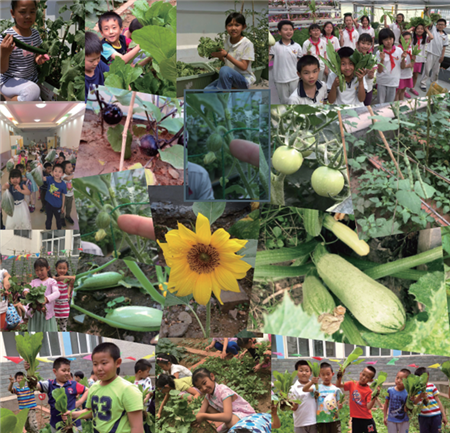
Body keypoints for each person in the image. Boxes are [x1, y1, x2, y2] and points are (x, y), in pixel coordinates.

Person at [69, 342, 144, 433]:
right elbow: (92, 412)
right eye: (95, 364)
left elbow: (137, 428)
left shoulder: (128, 389)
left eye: (104, 363)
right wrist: (73, 415)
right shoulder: (93, 387)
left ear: (118, 363)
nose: (99, 368)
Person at [0, 0, 50, 101]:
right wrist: (4, 53)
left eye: (32, 12)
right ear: (13, 13)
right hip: (9, 81)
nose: (28, 16)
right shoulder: (7, 36)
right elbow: (2, 69)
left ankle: (16, 101)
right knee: (33, 91)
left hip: (29, 81)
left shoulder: (35, 34)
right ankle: (8, 102)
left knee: (36, 101)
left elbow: (36, 54)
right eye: (23, 12)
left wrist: (38, 58)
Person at [24, 357, 88, 433]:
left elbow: (87, 390)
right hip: (56, 424)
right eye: (64, 370)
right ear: (55, 371)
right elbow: (34, 386)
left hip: (74, 425)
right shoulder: (49, 384)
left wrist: (79, 402)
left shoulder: (74, 384)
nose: (67, 373)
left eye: (68, 370)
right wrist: (29, 372)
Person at [206, 12, 256, 90]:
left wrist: (226, 55)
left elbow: (244, 67)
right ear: (226, 27)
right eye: (230, 25)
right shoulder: (226, 41)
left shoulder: (247, 44)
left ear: (243, 27)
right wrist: (220, 56)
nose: (233, 28)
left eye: (237, 25)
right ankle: (232, 90)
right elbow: (228, 62)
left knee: (224, 70)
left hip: (243, 79)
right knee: (207, 91)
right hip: (229, 77)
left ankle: (226, 97)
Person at [336, 366, 380, 433]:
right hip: (355, 419)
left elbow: (368, 407)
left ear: (371, 380)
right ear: (360, 373)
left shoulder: (369, 391)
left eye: (367, 377)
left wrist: (374, 396)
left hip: (367, 419)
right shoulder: (352, 383)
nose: (363, 378)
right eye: (363, 374)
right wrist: (340, 375)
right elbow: (338, 384)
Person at [22, 258, 60, 332]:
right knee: (35, 332)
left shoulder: (51, 281)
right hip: (35, 312)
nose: (39, 272)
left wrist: (46, 299)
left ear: (48, 268)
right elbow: (26, 289)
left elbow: (57, 293)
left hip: (46, 313)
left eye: (41, 270)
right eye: (37, 270)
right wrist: (26, 293)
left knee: (47, 332)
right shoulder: (34, 282)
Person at [270, 20, 302, 104]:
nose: (289, 32)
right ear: (279, 32)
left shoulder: (297, 46)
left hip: (294, 78)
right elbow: (268, 59)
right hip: (280, 79)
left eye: (291, 29)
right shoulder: (275, 46)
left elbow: (300, 62)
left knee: (295, 100)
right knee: (284, 101)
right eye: (285, 29)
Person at [303, 362, 342, 432]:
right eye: (323, 374)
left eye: (328, 374)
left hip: (334, 419)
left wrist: (340, 405)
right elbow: (304, 389)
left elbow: (339, 402)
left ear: (332, 374)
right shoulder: (317, 388)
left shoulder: (336, 389)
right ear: (319, 376)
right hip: (321, 420)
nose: (326, 377)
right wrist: (312, 382)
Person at [413, 367, 448, 433]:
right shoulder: (416, 389)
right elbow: (415, 402)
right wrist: (420, 396)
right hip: (423, 417)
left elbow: (438, 401)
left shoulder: (432, 386)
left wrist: (444, 415)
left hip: (436, 416)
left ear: (428, 377)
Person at [420, 17, 448, 91]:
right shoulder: (433, 30)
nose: (440, 26)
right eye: (439, 24)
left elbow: (444, 47)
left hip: (439, 55)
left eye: (442, 25)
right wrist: (427, 12)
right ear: (436, 25)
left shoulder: (445, 35)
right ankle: (423, 83)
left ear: (445, 26)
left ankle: (433, 83)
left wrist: (442, 56)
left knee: (436, 71)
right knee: (427, 69)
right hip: (430, 53)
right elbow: (430, 22)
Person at [376, 28, 404, 104]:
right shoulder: (379, 52)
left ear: (393, 38)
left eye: (390, 38)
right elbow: (379, 70)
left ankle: (388, 115)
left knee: (390, 103)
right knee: (380, 102)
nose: (389, 41)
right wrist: (382, 59)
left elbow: (403, 67)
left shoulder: (399, 51)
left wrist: (404, 58)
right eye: (385, 39)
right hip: (382, 81)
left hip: (393, 81)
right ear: (381, 41)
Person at [289, 360, 316, 433]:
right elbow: (294, 408)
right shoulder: (293, 388)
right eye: (301, 371)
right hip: (300, 423)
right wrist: (290, 403)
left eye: (307, 371)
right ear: (296, 373)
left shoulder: (315, 386)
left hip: (314, 422)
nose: (304, 373)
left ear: (311, 373)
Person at [40, 163, 67, 230]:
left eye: (60, 172)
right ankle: (47, 229)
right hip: (48, 204)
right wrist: (40, 169)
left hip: (57, 206)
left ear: (63, 174)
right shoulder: (50, 179)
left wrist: (63, 207)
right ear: (52, 172)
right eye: (55, 171)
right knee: (48, 219)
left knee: (58, 220)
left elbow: (63, 196)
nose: (57, 173)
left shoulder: (63, 185)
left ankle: (59, 229)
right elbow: (42, 178)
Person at [383, 369, 411, 433]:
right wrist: (384, 416)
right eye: (397, 377)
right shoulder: (390, 390)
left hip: (404, 420)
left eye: (402, 379)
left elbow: (408, 408)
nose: (398, 380)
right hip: (391, 420)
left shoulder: (408, 393)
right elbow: (386, 403)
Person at [85, 31, 109, 103]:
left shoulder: (99, 64)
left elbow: (111, 74)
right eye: (91, 61)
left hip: (103, 99)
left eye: (98, 58)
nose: (96, 63)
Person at [53, 259, 75, 332]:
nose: (62, 270)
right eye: (60, 268)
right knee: (54, 326)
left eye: (64, 268)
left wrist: (68, 293)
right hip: (55, 306)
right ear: (56, 269)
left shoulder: (68, 280)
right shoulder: (53, 279)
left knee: (63, 327)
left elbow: (74, 279)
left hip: (64, 306)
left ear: (67, 269)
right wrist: (57, 278)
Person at [411, 23, 433, 94]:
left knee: (415, 75)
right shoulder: (412, 36)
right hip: (411, 58)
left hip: (419, 59)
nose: (420, 30)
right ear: (415, 30)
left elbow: (431, 37)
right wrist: (412, 28)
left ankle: (412, 88)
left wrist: (426, 29)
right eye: (418, 28)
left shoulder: (424, 38)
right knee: (408, 74)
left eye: (421, 28)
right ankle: (404, 89)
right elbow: (404, 34)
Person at [356, 33, 376, 105]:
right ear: (358, 43)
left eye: (368, 44)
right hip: (355, 89)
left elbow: (372, 76)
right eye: (363, 43)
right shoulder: (354, 56)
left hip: (368, 88)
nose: (365, 46)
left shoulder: (372, 58)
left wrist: (371, 75)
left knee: (366, 108)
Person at [134, 359, 154, 429]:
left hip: (146, 408)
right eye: (147, 371)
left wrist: (144, 400)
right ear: (140, 372)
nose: (148, 374)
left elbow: (149, 392)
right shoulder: (131, 382)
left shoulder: (147, 379)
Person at [397, 32, 415, 101]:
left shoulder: (411, 49)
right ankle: (396, 106)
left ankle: (401, 103)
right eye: (405, 39)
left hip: (408, 74)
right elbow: (399, 64)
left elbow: (413, 62)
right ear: (401, 40)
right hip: (400, 75)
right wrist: (408, 65)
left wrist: (413, 61)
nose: (407, 41)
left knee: (403, 90)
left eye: (409, 39)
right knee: (398, 92)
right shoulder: (398, 49)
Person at [61, 160, 75, 226]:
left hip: (70, 195)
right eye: (69, 167)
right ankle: (61, 218)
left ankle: (68, 216)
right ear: (64, 170)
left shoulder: (72, 174)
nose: (71, 168)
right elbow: (68, 178)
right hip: (63, 196)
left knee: (69, 207)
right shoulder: (63, 176)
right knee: (62, 208)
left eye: (71, 167)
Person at [0, 256, 11, 330]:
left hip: (1, 308)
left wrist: (6, 279)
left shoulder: (2, 272)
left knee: (1, 328)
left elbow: (7, 275)